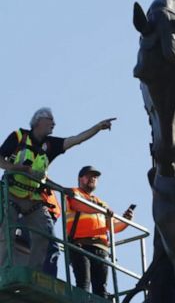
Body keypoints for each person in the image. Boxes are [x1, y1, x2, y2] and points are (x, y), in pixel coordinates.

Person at [0, 107, 116, 272]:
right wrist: (16, 168)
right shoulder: (19, 136)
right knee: (7, 234)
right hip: (12, 195)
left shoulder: (51, 144)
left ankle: (33, 274)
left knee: (46, 237)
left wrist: (97, 127)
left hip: (34, 199)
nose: (54, 124)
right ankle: (4, 273)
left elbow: (76, 140)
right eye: (50, 120)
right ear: (39, 121)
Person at [66, 165, 134, 298]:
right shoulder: (74, 193)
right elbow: (77, 205)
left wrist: (126, 221)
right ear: (80, 178)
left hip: (101, 249)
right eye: (89, 175)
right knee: (83, 285)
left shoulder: (101, 203)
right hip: (80, 245)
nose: (93, 178)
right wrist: (99, 209)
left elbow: (112, 227)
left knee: (101, 290)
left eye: (95, 177)